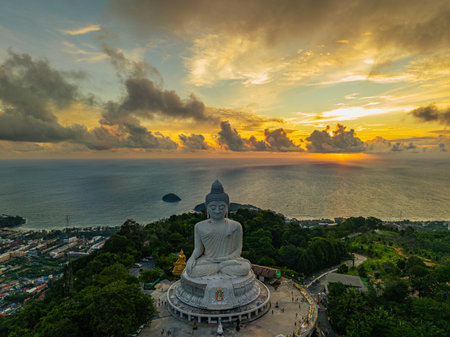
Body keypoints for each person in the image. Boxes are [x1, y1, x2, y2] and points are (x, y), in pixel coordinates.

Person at [185, 180, 251, 278]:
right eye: (212, 207)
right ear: (206, 207)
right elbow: (198, 249)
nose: (217, 210)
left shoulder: (236, 226)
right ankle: (220, 267)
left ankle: (219, 267)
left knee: (245, 267)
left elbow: (238, 250)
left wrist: (225, 259)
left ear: (227, 207)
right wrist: (191, 259)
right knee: (191, 270)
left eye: (221, 207)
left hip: (228, 261)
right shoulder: (199, 226)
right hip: (209, 260)